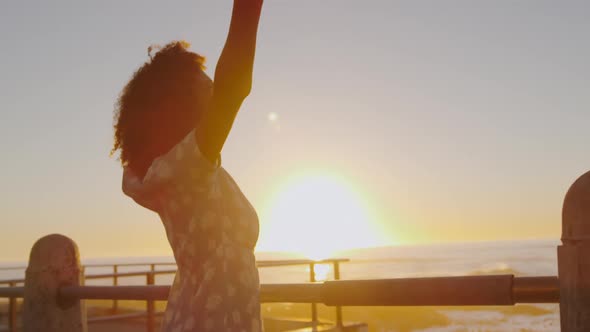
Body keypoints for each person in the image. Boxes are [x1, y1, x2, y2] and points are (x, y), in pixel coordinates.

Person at [111, 0, 264, 331]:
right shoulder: (187, 170)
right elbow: (234, 85)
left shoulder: (178, 174)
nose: (212, 85)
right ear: (177, 102)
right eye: (203, 81)